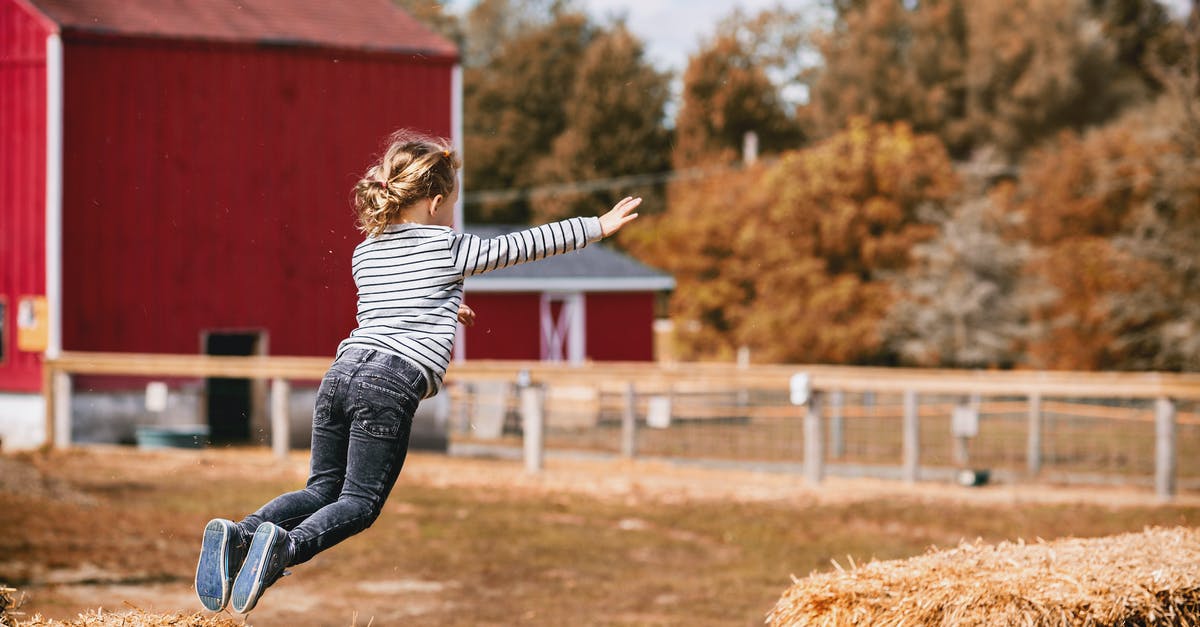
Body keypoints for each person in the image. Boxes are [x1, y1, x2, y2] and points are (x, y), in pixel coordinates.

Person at [193, 129, 641, 614]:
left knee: (320, 488)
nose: (452, 216)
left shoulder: (365, 253)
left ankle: (241, 533)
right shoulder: (448, 247)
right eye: (451, 205)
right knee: (360, 502)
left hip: (342, 372)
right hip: (389, 382)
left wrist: (451, 311)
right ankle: (285, 548)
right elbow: (526, 244)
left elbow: (396, 306)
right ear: (434, 202)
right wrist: (597, 225)